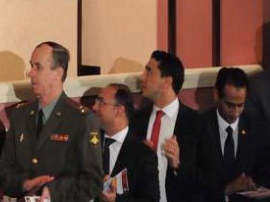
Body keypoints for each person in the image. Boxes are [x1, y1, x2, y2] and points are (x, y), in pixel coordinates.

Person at [0, 41, 103, 201]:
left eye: (38, 67)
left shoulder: (81, 119)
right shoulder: (20, 115)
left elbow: (92, 182)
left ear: (58, 73)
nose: (30, 73)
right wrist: (24, 184)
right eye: (31, 66)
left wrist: (54, 191)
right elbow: (4, 169)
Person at [130, 50, 199, 202]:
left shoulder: (196, 123)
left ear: (167, 82)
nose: (142, 77)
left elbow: (206, 180)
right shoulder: (136, 120)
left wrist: (177, 165)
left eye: (149, 72)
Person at [197, 67, 270, 201]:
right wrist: (227, 189)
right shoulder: (199, 126)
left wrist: (253, 183)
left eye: (240, 105)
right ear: (216, 95)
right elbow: (195, 179)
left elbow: (265, 168)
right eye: (230, 105)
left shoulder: (256, 126)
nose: (236, 112)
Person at [93, 83, 159, 202]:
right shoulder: (87, 143)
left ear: (120, 110)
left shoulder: (143, 154)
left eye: (101, 102)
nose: (94, 107)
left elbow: (151, 199)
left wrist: (117, 200)